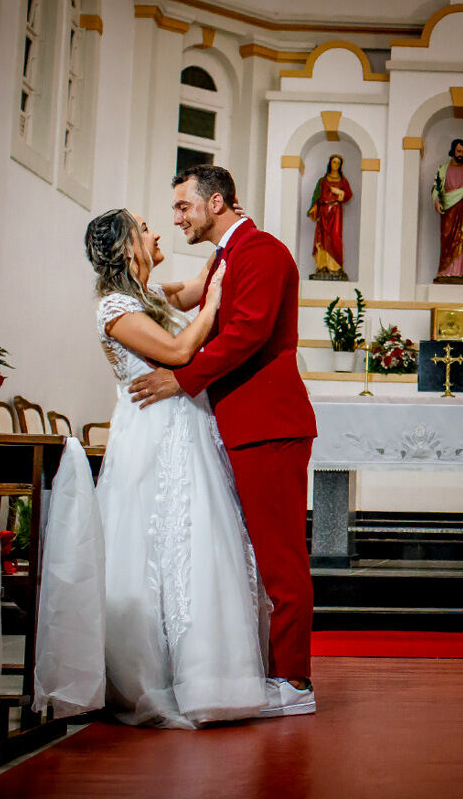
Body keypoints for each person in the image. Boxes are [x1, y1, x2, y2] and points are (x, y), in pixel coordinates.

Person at [127, 165, 319, 717]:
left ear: (216, 203)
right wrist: (128, 285)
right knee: (256, 556)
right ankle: (269, 670)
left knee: (281, 558)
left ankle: (296, 684)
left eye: (183, 206)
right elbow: (183, 298)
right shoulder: (227, 256)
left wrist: (179, 378)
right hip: (242, 424)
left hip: (269, 424)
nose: (177, 217)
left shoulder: (261, 252)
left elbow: (247, 332)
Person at [84, 207, 267, 728]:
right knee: (156, 542)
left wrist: (225, 248)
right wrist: (212, 305)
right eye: (145, 228)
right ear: (125, 246)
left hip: (186, 429)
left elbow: (193, 283)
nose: (158, 230)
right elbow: (180, 349)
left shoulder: (148, 296)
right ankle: (153, 673)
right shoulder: (116, 306)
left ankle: (210, 673)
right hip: (152, 434)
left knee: (197, 541)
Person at [431, 138, 463, 283]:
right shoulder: (443, 169)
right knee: (448, 239)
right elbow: (436, 188)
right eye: (459, 151)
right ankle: (446, 271)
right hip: (449, 211)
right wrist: (437, 201)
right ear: (453, 150)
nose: (461, 154)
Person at [306, 154, 353, 280]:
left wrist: (339, 192)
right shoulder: (323, 181)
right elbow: (316, 196)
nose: (336, 165)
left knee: (335, 236)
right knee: (322, 237)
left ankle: (335, 267)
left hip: (336, 211)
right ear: (330, 164)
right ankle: (323, 265)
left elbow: (349, 195)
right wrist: (314, 207)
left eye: (338, 162)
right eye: (334, 162)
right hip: (323, 210)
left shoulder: (343, 181)